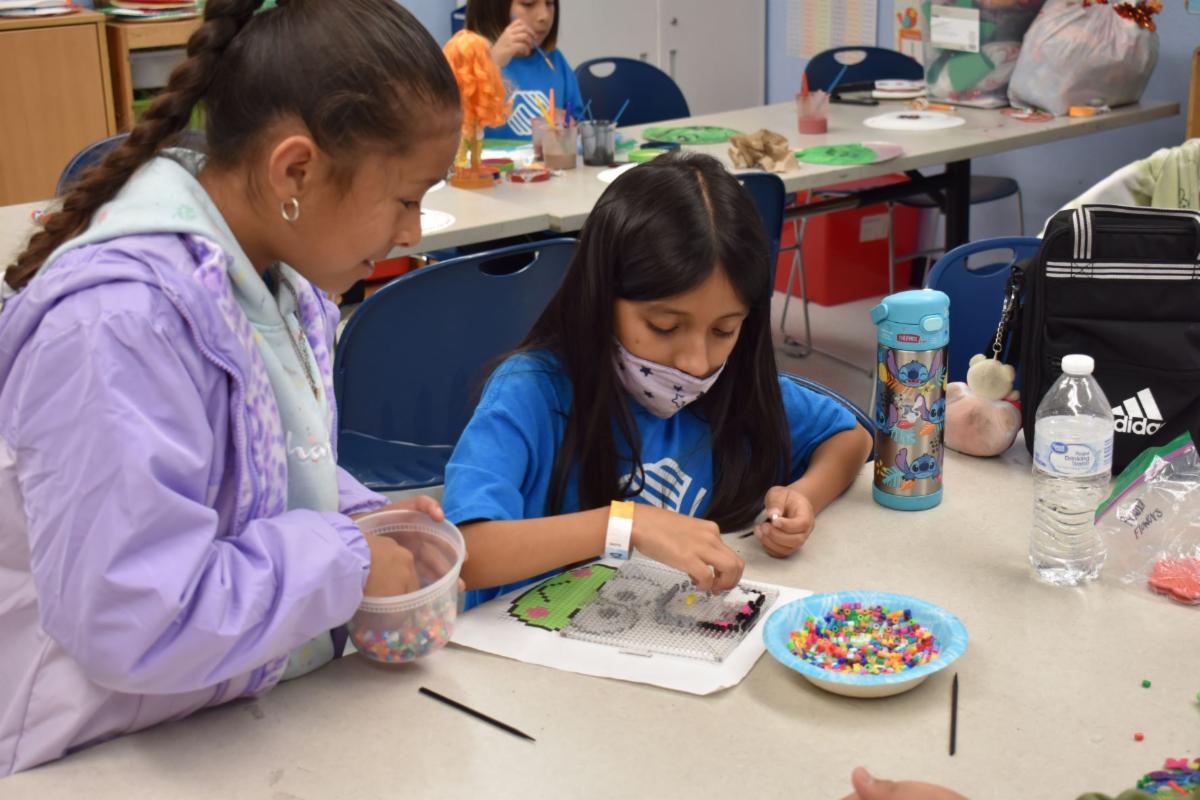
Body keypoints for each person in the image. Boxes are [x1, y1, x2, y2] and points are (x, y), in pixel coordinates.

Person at [0, 0, 461, 776]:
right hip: (84, 753)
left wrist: (358, 511)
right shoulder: (118, 327)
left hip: (215, 726)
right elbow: (130, 620)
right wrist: (346, 561)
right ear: (296, 171)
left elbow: (249, 465)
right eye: (407, 198)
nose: (414, 231)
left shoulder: (282, 280)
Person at [443, 152, 874, 608]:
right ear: (602, 297)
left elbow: (850, 438)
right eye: (665, 327)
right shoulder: (532, 391)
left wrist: (802, 497)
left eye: (723, 330)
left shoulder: (732, 386)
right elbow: (461, 555)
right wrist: (625, 526)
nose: (694, 361)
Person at [465, 0, 585, 140]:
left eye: (550, 3)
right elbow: (459, 128)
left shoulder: (555, 60)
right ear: (492, 8)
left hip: (545, 160)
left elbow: (579, 124)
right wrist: (493, 64)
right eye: (528, 4)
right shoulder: (469, 58)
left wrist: (569, 125)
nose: (544, 16)